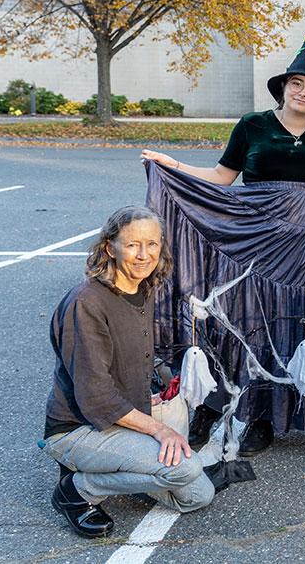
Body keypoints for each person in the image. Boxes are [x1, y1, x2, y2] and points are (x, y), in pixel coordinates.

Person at [140, 15, 305, 457]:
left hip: (298, 242)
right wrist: (172, 166)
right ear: (283, 88)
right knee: (228, 313)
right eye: (298, 84)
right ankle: (211, 402)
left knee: (282, 322)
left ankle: (265, 416)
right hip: (248, 229)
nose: (304, 93)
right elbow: (221, 178)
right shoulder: (252, 125)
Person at [42, 206, 214, 538]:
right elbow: (96, 397)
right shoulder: (86, 304)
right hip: (78, 428)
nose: (144, 254)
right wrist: (160, 432)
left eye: (152, 244)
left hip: (124, 420)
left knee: (197, 495)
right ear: (110, 247)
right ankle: (78, 488)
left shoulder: (143, 288)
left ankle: (123, 466)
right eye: (133, 244)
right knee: (187, 467)